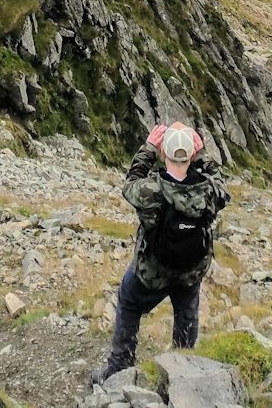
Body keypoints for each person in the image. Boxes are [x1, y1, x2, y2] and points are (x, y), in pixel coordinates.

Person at [93, 122, 229, 382]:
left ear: (164, 155)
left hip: (152, 271)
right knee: (187, 312)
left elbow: (130, 183)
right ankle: (184, 367)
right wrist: (202, 156)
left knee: (129, 302)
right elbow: (223, 186)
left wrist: (148, 149)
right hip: (189, 271)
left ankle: (119, 368)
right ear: (191, 156)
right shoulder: (209, 191)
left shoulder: (151, 190)